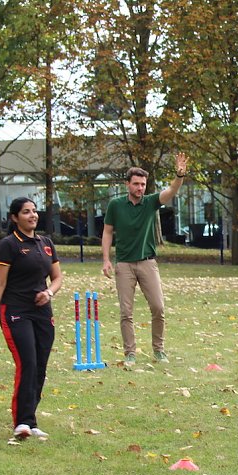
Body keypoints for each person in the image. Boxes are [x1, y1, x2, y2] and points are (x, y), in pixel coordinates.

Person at [0, 198, 63, 440]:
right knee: (27, 363)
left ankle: (31, 419)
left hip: (42, 313)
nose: (32, 215)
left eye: (34, 211)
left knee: (40, 366)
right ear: (15, 218)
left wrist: (48, 293)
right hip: (16, 311)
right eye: (26, 212)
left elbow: (57, 278)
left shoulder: (46, 243)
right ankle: (21, 422)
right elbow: (0, 283)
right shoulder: (8, 245)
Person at [102, 152, 188, 370]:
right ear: (127, 184)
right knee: (126, 312)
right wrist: (106, 260)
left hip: (148, 262)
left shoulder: (150, 203)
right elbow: (107, 232)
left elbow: (171, 191)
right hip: (124, 264)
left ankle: (159, 349)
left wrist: (179, 175)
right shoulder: (116, 205)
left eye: (143, 184)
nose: (140, 188)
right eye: (136, 184)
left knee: (158, 308)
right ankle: (130, 353)